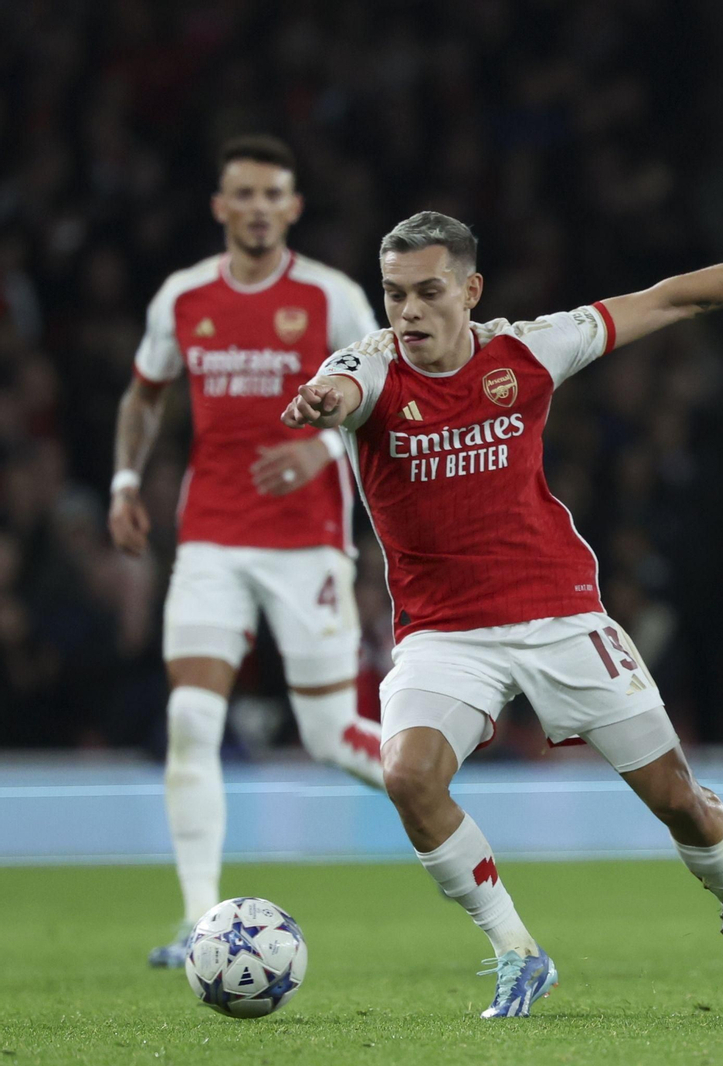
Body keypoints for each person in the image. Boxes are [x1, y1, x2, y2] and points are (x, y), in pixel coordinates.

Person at [282, 211, 723, 1017]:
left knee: (679, 800)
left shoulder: (528, 350)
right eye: (395, 295)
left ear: (470, 290)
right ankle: (517, 952)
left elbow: (674, 297)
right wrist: (324, 401)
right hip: (445, 634)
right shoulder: (369, 366)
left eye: (430, 292)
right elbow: (342, 386)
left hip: (561, 616)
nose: (410, 313)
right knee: (408, 777)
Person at [109, 135, 387, 967]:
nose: (259, 207)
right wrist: (126, 480)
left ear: (293, 207)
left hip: (307, 544)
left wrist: (322, 448)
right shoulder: (184, 298)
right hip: (212, 541)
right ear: (221, 206)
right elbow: (143, 394)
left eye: (274, 194)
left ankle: (440, 791)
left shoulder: (332, 298)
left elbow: (385, 392)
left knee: (332, 733)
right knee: (191, 716)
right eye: (245, 194)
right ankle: (200, 925)